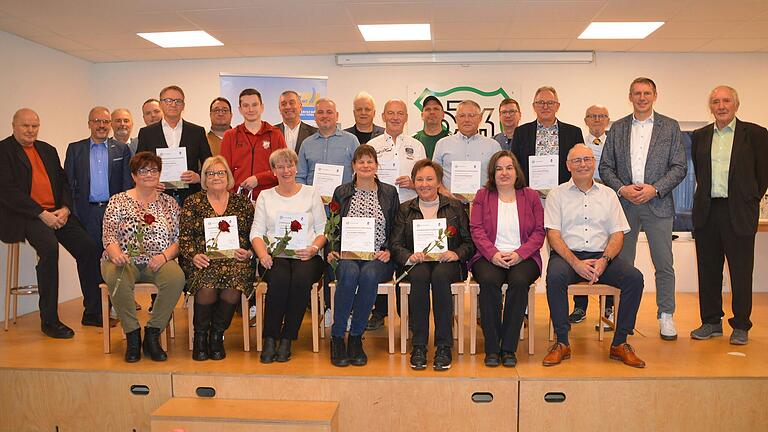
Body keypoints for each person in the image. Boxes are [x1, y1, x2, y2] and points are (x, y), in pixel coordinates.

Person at [0, 109, 103, 338]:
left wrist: (65, 209)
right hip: (26, 215)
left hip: (57, 212)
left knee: (88, 247)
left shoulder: (47, 150)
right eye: (25, 125)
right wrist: (40, 213)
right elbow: (7, 191)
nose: (30, 130)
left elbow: (64, 182)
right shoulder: (3, 151)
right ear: (13, 125)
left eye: (34, 126)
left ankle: (93, 312)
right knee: (48, 249)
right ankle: (49, 320)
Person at [599, 77, 687, 341]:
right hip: (625, 205)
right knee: (622, 263)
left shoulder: (670, 127)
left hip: (658, 204)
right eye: (637, 93)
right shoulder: (617, 128)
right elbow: (605, 167)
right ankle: (614, 313)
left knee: (664, 263)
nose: (642, 97)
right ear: (630, 96)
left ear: (655, 95)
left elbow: (679, 167)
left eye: (647, 93)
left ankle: (666, 315)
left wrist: (655, 189)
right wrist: (622, 189)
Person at [544, 144, 645, 368]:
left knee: (634, 278)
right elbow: (553, 235)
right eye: (577, 160)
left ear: (594, 162)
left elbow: (617, 235)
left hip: (602, 256)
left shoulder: (608, 194)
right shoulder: (556, 194)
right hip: (568, 256)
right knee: (555, 278)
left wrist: (604, 261)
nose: (583, 164)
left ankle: (620, 343)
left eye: (587, 159)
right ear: (568, 166)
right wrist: (576, 263)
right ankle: (562, 342)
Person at [690, 85, 768, 345]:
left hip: (739, 211)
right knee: (708, 269)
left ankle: (741, 325)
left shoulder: (756, 134)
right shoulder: (700, 136)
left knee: (741, 270)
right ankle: (711, 322)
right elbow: (701, 173)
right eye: (715, 102)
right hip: (708, 211)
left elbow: (763, 174)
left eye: (725, 101)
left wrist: (750, 198)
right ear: (710, 106)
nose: (720, 106)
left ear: (736, 105)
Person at [101, 152, 185, 362]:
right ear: (134, 175)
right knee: (117, 276)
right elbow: (109, 234)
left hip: (158, 260)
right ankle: (132, 336)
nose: (149, 174)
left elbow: (179, 239)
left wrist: (165, 256)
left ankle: (153, 333)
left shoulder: (169, 203)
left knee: (176, 278)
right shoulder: (118, 201)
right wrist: (116, 253)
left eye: (153, 170)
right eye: (143, 170)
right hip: (124, 259)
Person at [390, 159, 474, 371]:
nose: (424, 184)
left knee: (439, 276)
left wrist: (456, 253)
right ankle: (419, 345)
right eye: (419, 179)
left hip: (447, 263)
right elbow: (395, 243)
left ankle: (444, 345)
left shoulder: (454, 207)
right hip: (417, 263)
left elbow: (469, 242)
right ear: (414, 182)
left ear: (438, 182)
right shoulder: (405, 209)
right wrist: (409, 256)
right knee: (418, 276)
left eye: (429, 179)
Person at [250, 149, 327, 363]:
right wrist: (263, 254)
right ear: (273, 171)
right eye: (280, 166)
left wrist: (313, 248)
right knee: (280, 279)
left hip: (307, 255)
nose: (286, 170)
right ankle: (270, 337)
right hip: (274, 256)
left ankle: (287, 338)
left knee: (301, 279)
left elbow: (323, 229)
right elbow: (256, 232)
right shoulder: (265, 196)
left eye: (290, 165)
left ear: (296, 167)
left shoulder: (311, 193)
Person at [469, 150, 544, 367]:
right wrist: (493, 254)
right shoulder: (483, 195)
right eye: (499, 169)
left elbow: (539, 232)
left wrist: (520, 254)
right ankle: (492, 347)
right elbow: (476, 229)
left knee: (519, 282)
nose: (504, 173)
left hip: (524, 256)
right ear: (492, 173)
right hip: (488, 255)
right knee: (490, 282)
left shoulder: (531, 196)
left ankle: (508, 348)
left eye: (509, 168)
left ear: (516, 171)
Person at [327, 145, 399, 367]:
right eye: (361, 162)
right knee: (348, 272)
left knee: (368, 275)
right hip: (347, 255)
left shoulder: (389, 192)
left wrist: (389, 250)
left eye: (370, 161)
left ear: (377, 166)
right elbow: (333, 225)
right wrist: (332, 248)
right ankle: (338, 337)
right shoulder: (342, 191)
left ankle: (356, 337)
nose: (366, 165)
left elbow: (397, 227)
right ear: (354, 166)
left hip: (379, 257)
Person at [179, 156, 255, 361]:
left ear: (228, 176)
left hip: (234, 260)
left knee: (234, 285)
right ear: (203, 178)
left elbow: (252, 235)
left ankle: (217, 335)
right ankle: (201, 336)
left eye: (220, 173)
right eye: (210, 173)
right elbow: (184, 237)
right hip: (203, 259)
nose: (215, 177)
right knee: (207, 285)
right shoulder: (193, 202)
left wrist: (248, 251)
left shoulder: (242, 203)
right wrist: (194, 256)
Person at [366, 99, 427, 330]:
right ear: (382, 116)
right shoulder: (373, 143)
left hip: (409, 210)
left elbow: (424, 177)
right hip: (380, 210)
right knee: (382, 255)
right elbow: (365, 173)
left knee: (405, 258)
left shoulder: (416, 145)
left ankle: (408, 314)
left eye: (400, 113)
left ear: (406, 117)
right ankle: (379, 311)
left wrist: (413, 183)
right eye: (390, 113)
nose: (395, 117)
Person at [64, 106, 133, 254]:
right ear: (89, 124)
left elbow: (127, 184)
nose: (101, 125)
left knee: (115, 256)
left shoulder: (122, 149)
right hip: (86, 212)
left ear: (110, 124)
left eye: (105, 121)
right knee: (87, 256)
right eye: (96, 121)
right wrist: (72, 211)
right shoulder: (75, 149)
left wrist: (126, 211)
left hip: (114, 211)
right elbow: (67, 183)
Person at [137, 85, 212, 205]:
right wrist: (150, 181)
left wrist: (198, 177)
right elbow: (139, 166)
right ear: (161, 104)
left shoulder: (197, 131)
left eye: (178, 101)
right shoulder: (147, 133)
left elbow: (209, 163)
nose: (173, 104)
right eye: (168, 100)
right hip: (156, 197)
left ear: (183, 105)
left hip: (191, 197)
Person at [571, 104, 611, 324]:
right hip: (580, 199)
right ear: (585, 120)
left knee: (605, 251)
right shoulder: (578, 145)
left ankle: (608, 309)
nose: (597, 120)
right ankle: (580, 306)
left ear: (607, 120)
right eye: (593, 116)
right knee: (580, 247)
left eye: (602, 116)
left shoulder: (614, 143)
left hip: (606, 201)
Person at [512, 86, 584, 191]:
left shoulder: (573, 133)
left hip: (566, 194)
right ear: (534, 106)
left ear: (557, 106)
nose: (545, 107)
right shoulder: (521, 132)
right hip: (530, 195)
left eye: (550, 103)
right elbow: (515, 165)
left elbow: (579, 163)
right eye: (540, 102)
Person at [220, 88, 286, 201]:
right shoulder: (230, 136)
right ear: (240, 109)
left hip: (270, 199)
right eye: (246, 105)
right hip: (237, 199)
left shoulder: (275, 134)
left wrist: (258, 179)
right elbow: (224, 171)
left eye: (254, 105)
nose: (250, 109)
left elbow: (284, 169)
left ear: (262, 107)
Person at [432, 100, 501, 200]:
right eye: (462, 116)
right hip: (450, 204)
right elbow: (434, 174)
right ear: (456, 119)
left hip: (483, 203)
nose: (466, 120)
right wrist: (442, 190)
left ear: (480, 118)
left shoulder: (493, 146)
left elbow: (499, 176)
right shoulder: (442, 144)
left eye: (471, 115)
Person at [296, 98, 359, 186]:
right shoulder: (306, 144)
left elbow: (360, 172)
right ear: (314, 116)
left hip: (344, 198)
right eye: (320, 112)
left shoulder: (351, 141)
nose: (325, 116)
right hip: (313, 198)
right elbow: (300, 177)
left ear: (337, 116)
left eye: (329, 112)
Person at [276, 90, 317, 155]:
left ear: (300, 107)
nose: (288, 107)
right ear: (280, 109)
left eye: (291, 103)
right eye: (283, 104)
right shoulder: (271, 132)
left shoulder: (314, 133)